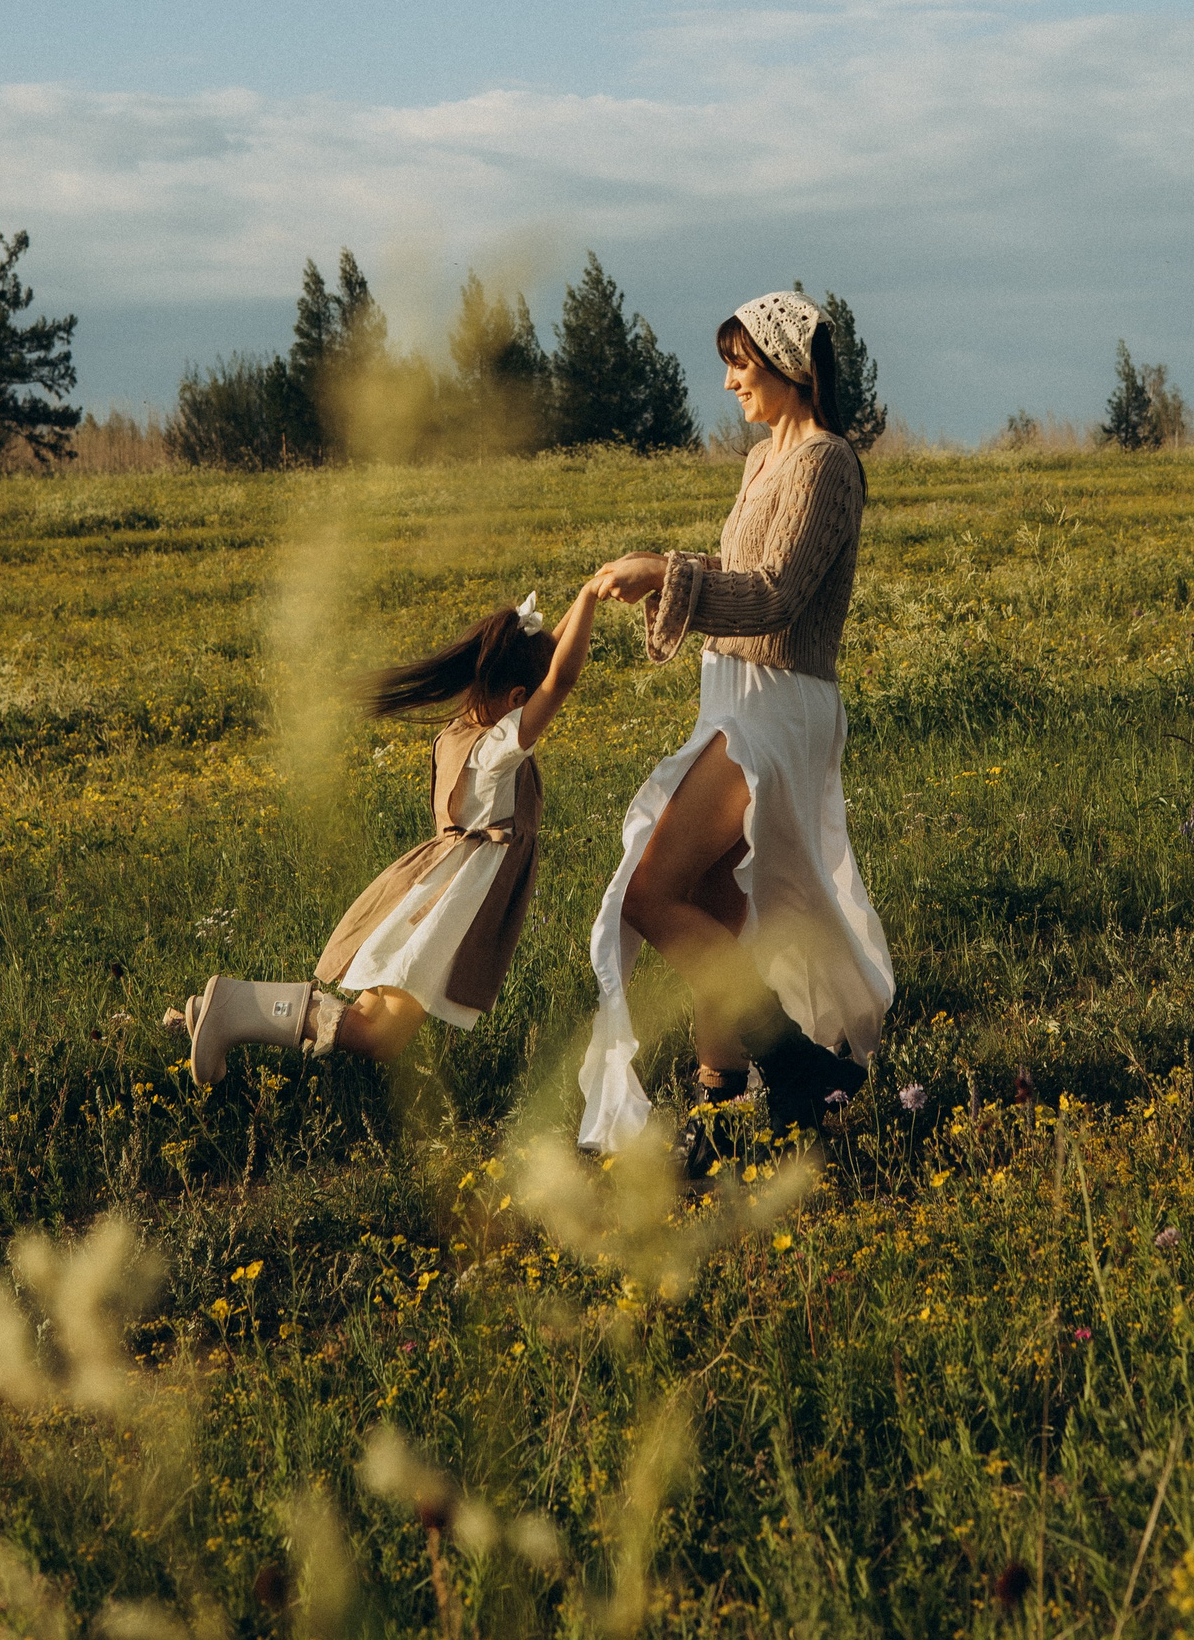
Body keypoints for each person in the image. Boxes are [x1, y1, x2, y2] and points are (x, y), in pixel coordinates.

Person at [579, 289, 894, 1158]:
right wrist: (665, 568)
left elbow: (777, 596)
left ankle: (793, 1062)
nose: (728, 383)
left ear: (791, 368)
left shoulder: (828, 464)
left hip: (777, 702)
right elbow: (738, 566)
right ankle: (720, 1116)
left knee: (650, 895)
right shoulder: (763, 460)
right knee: (713, 908)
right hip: (733, 694)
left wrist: (667, 574)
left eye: (741, 365)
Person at [171, 585, 599, 1086]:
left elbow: (548, 664)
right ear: (519, 698)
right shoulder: (498, 748)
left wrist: (588, 597)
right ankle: (235, 1005)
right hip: (447, 908)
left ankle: (212, 1013)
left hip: (436, 893)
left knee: (371, 1023)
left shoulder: (465, 730)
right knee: (380, 1037)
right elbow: (561, 677)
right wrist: (591, 594)